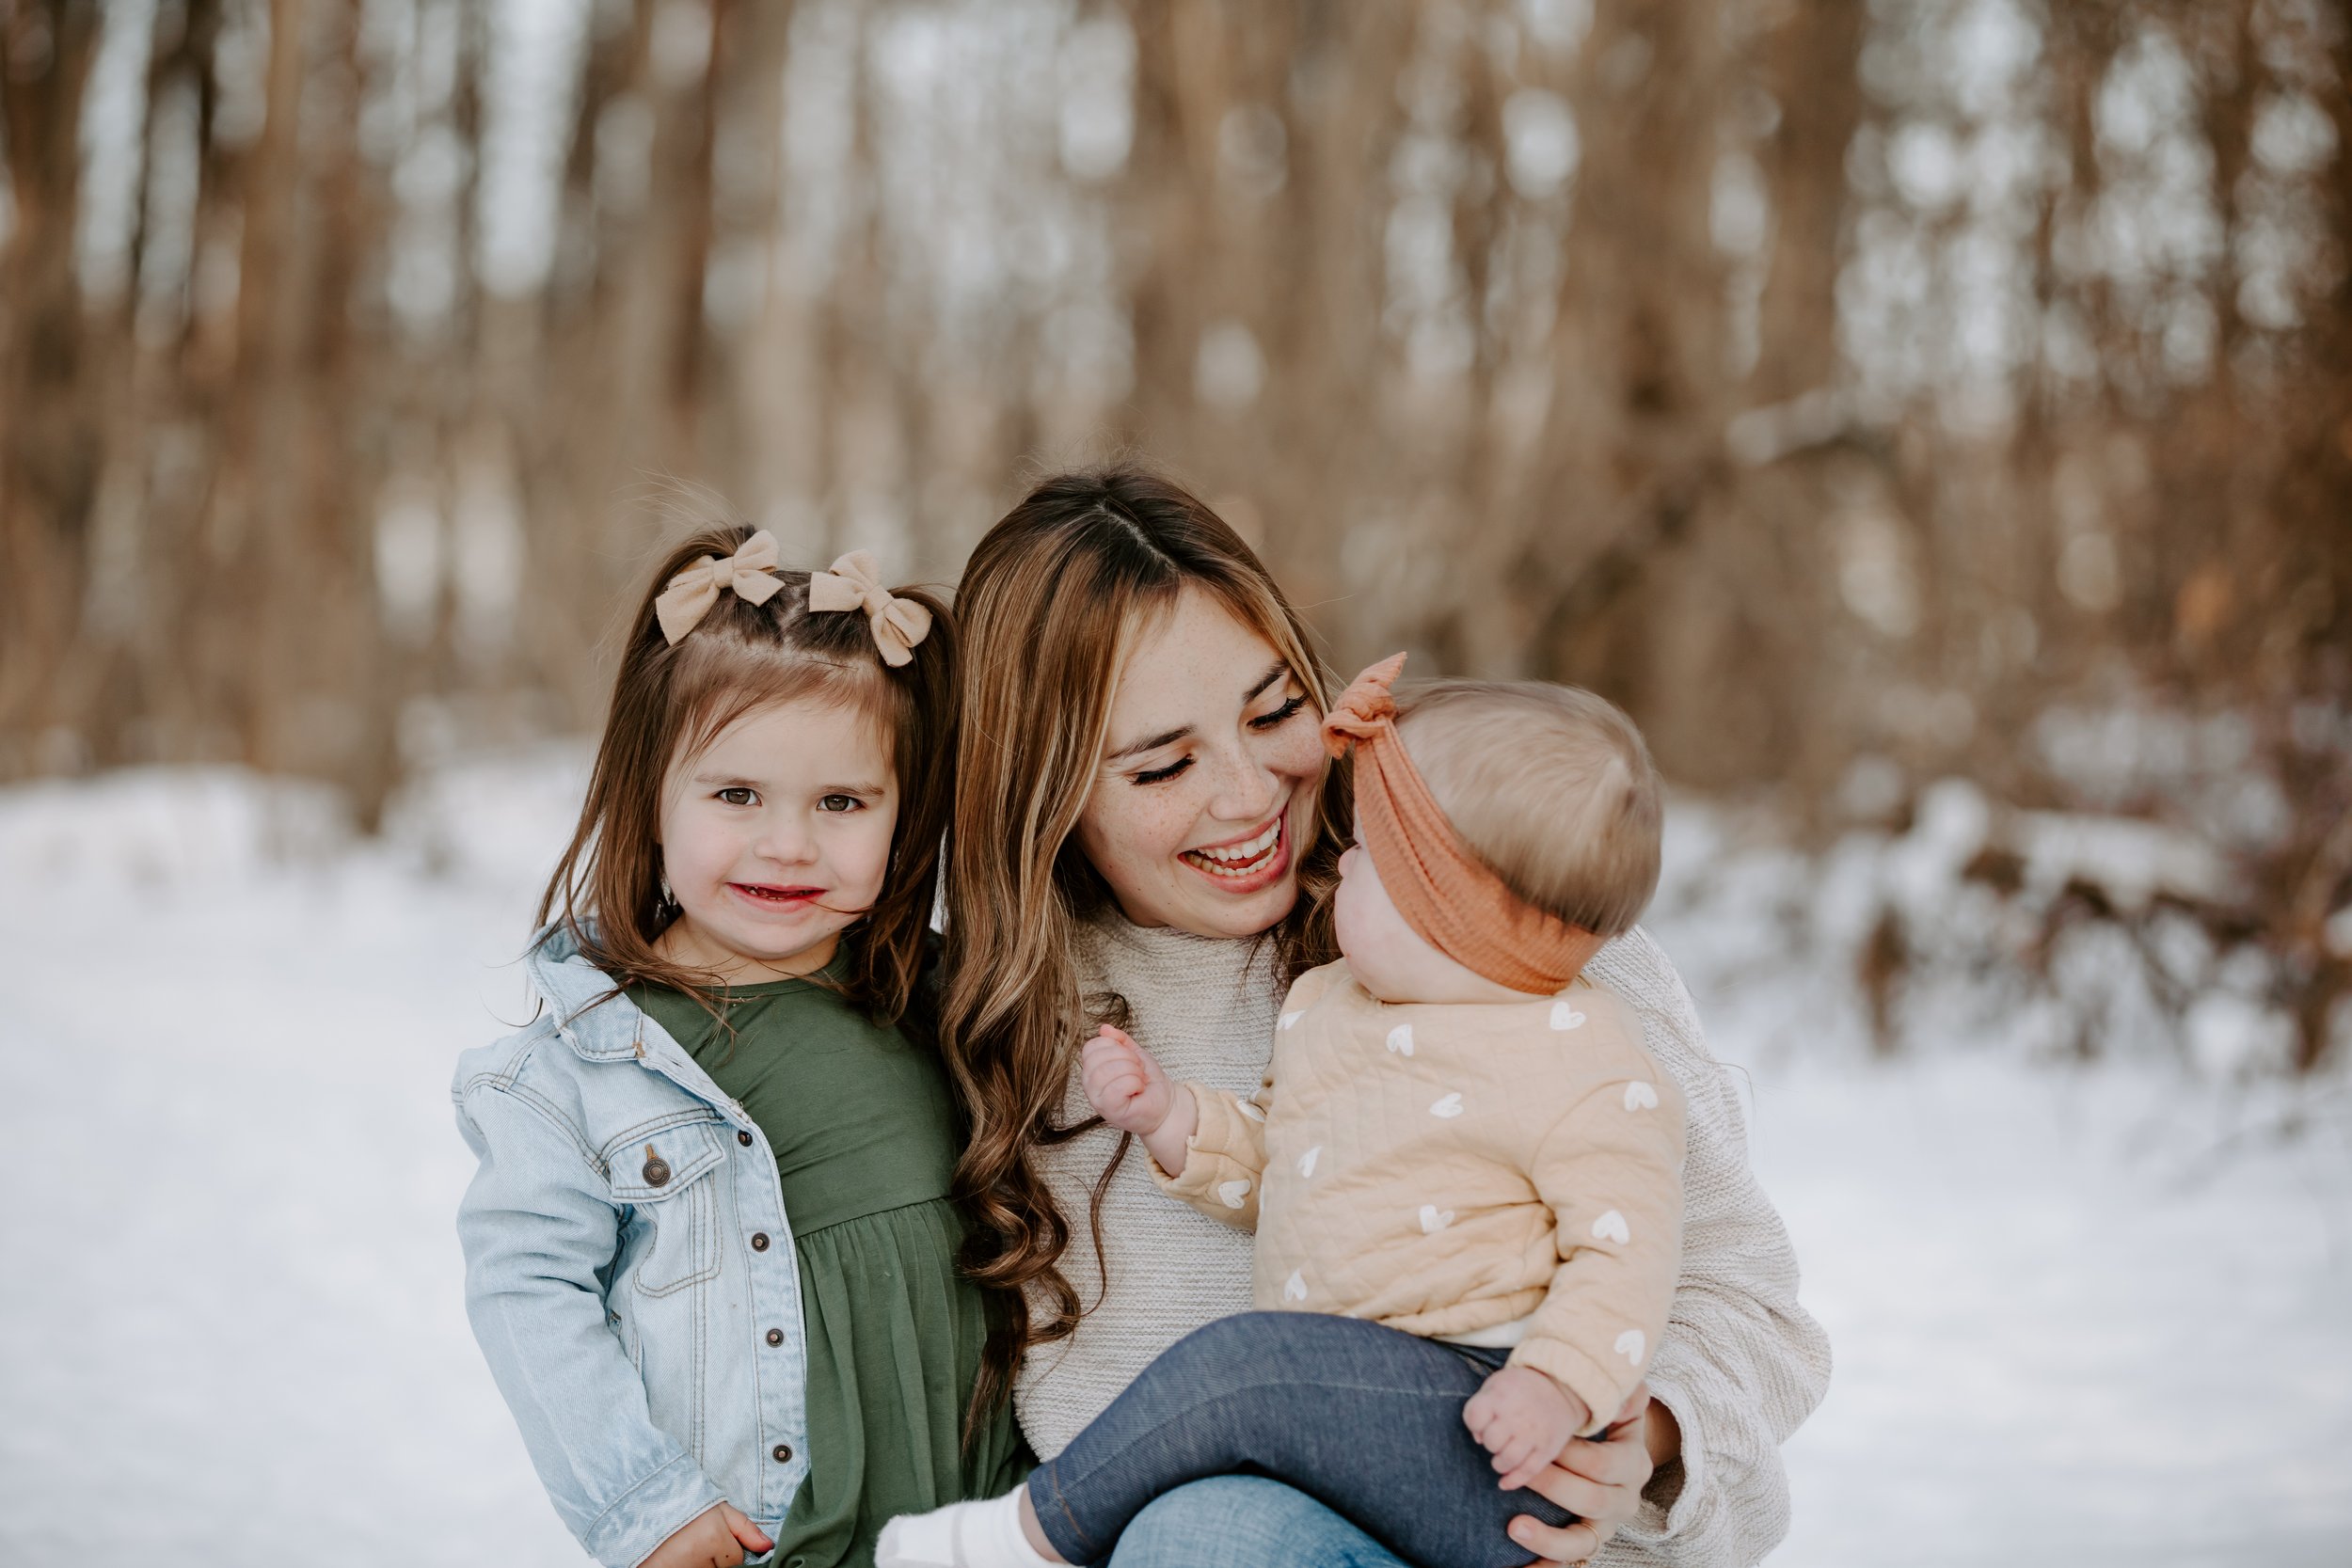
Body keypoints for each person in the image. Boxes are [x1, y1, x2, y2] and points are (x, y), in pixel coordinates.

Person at [937, 467, 1832, 1568]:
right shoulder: (1009, 1029)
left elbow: (1747, 1302)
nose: (1250, 793)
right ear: (1043, 793)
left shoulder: (1510, 934)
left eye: (1275, 712)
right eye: (1163, 764)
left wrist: (1643, 1434)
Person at [882, 657, 1686, 1568]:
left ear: (1456, 916)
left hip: (1495, 1419)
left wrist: (1560, 1384)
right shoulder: (1332, 1006)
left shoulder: (1577, 1053)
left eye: (1372, 856)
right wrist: (1172, 1118)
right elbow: (1288, 1167)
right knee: (1205, 1515)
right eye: (1160, 764)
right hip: (1338, 1429)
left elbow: (1629, 1252)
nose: (1341, 857)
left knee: (1241, 1365)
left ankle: (1031, 1534)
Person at [452, 527, 1025, 1568]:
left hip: (978, 1522)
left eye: (842, 802)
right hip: (763, 1533)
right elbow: (527, 1294)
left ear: (902, 814)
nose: (789, 844)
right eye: (736, 795)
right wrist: (645, 1504)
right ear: (650, 794)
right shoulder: (578, 1073)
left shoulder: (943, 1003)